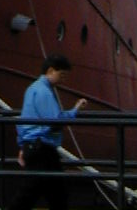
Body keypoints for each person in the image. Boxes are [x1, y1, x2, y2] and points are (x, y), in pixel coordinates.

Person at [7, 53, 87, 210]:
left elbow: (25, 120)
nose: (63, 80)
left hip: (34, 146)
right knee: (40, 192)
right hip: (42, 148)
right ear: (50, 71)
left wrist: (23, 145)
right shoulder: (44, 92)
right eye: (62, 75)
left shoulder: (33, 89)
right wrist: (75, 110)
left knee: (44, 192)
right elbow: (55, 121)